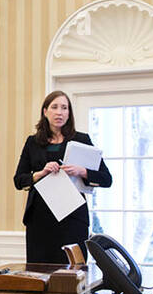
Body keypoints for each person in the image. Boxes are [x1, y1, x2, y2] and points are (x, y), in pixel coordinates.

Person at [12, 90, 112, 264]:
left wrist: (82, 171)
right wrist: (40, 174)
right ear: (45, 111)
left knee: (74, 274)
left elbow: (106, 178)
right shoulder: (32, 142)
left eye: (64, 108)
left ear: (69, 113)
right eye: (55, 107)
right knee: (39, 273)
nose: (59, 112)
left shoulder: (81, 139)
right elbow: (18, 180)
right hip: (39, 220)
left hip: (73, 218)